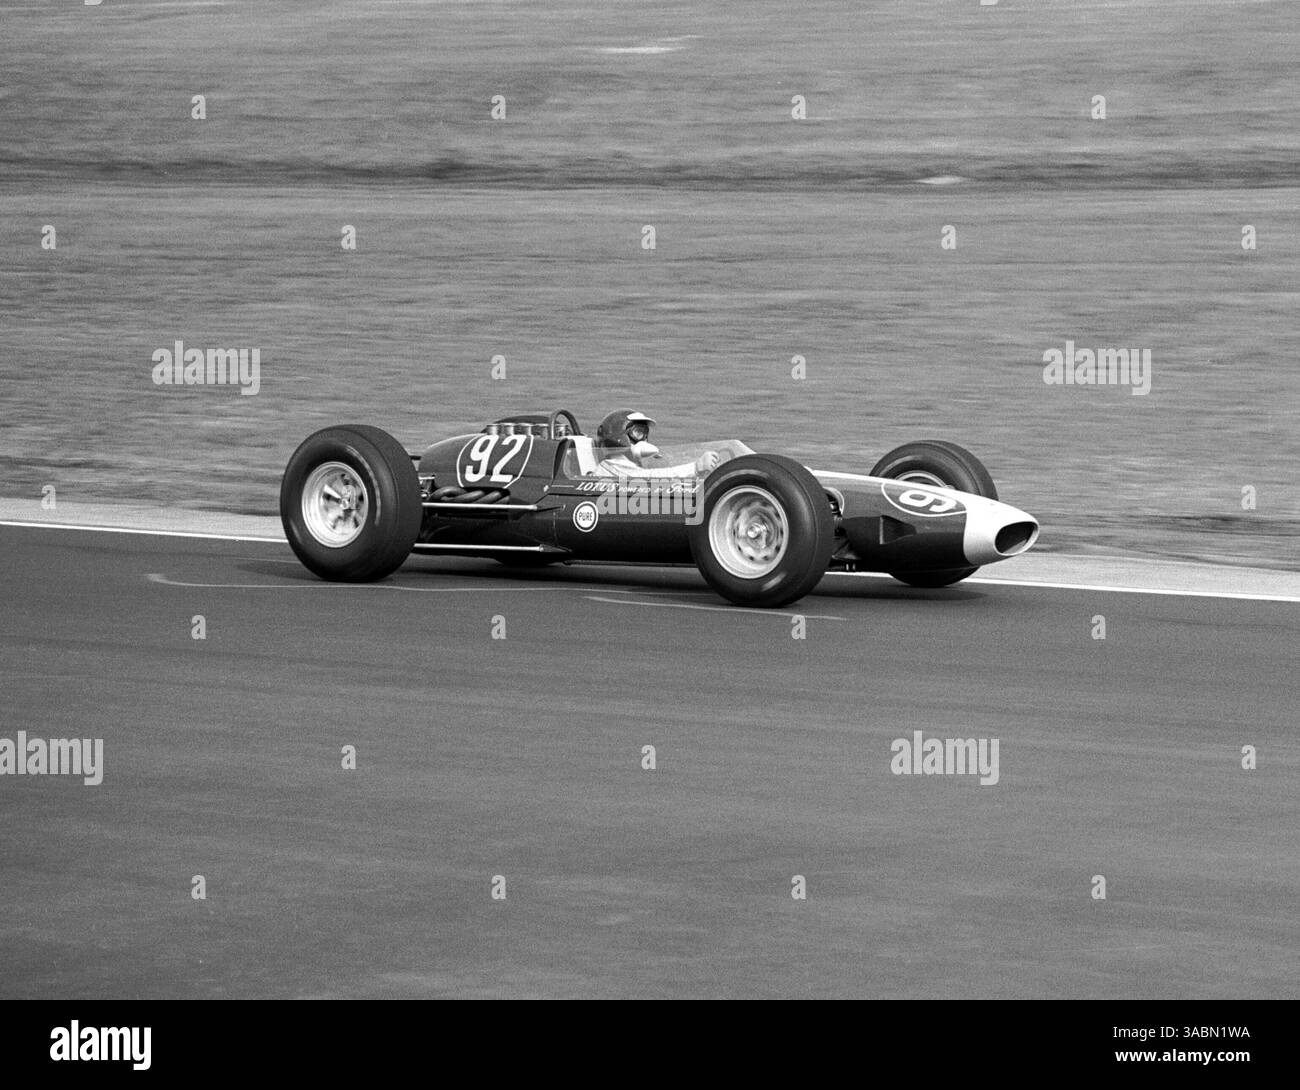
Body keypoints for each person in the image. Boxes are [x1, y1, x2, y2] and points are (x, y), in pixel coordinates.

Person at [594, 409, 720, 478]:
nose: (644, 439)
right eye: (638, 432)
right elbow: (649, 479)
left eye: (645, 433)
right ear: (620, 433)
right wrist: (695, 467)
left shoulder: (628, 467)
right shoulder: (612, 467)